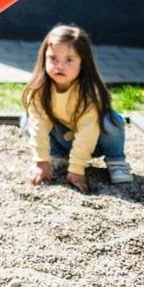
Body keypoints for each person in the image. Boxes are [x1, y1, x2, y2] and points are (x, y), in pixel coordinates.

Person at [21, 24, 132, 192]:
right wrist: (41, 163)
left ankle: (116, 160)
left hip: (96, 142)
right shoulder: (39, 90)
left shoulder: (88, 92)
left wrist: (76, 170)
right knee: (27, 120)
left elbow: (88, 132)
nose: (59, 66)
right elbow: (39, 126)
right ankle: (59, 155)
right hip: (66, 138)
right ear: (44, 57)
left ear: (83, 62)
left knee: (111, 120)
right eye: (53, 58)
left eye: (69, 60)